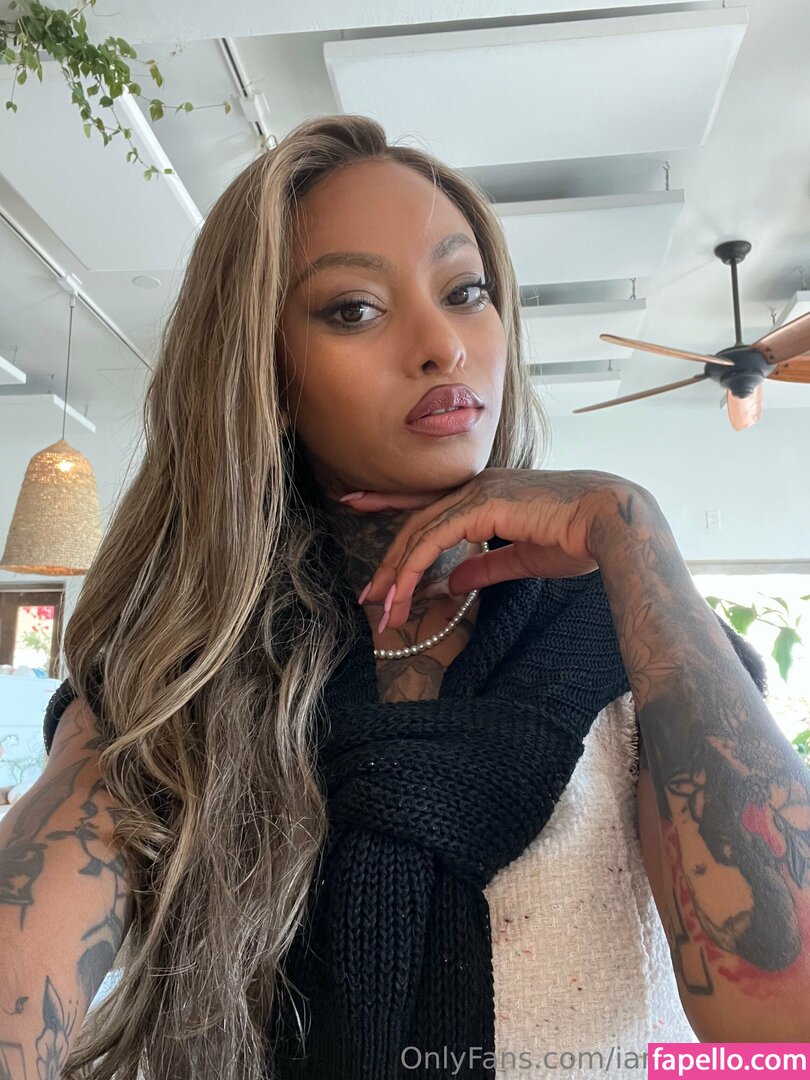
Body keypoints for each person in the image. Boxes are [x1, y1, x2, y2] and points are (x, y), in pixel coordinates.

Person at [1, 113, 806, 1080]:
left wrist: (637, 541)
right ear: (266, 376)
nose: (442, 345)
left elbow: (784, 1023)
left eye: (466, 292)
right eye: (353, 309)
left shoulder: (628, 638)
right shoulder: (180, 673)